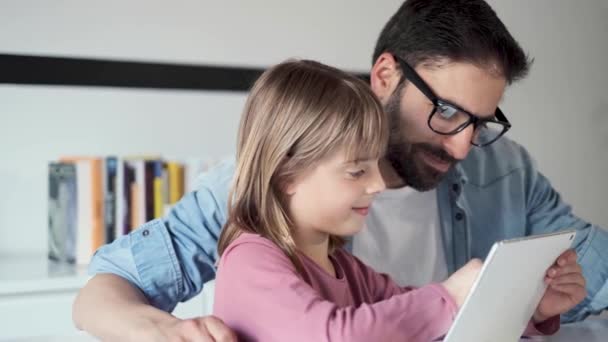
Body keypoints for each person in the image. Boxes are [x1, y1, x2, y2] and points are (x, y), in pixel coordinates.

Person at [73, 0, 604, 340]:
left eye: (482, 122)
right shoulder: (257, 201)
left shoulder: (504, 169)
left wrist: (531, 307)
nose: (466, 146)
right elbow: (108, 288)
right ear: (386, 75)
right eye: (447, 112)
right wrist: (169, 332)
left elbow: (430, 313)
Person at [213, 58, 568, 341]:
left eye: (375, 166)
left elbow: (420, 323)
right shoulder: (251, 260)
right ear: (286, 174)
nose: (379, 184)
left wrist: (532, 310)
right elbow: (336, 335)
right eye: (357, 171)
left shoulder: (349, 271)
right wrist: (449, 296)